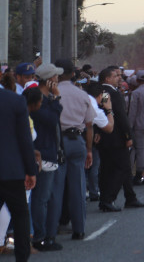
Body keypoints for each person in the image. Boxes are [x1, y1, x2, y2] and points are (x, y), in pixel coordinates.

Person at [49, 59, 95, 241]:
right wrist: (89, 150)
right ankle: (79, 229)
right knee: (78, 187)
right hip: (78, 141)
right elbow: (89, 126)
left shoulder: (52, 93)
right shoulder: (82, 94)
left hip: (58, 142)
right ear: (72, 73)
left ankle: (51, 231)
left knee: (56, 188)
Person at [97, 66, 144, 212]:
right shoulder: (113, 93)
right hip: (117, 137)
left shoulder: (104, 92)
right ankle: (108, 199)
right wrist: (128, 135)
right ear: (107, 79)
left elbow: (104, 110)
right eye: (116, 76)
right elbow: (121, 116)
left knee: (111, 168)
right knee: (122, 167)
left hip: (106, 136)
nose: (119, 78)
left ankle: (130, 197)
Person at [0, 77, 37, 262]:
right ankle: (22, 256)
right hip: (10, 169)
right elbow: (25, 139)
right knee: (20, 214)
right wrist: (31, 170)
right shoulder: (15, 100)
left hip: (10, 169)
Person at [27, 71, 64, 252]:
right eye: (56, 77)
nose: (58, 80)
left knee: (46, 197)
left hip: (49, 151)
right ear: (49, 80)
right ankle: (39, 237)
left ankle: (45, 233)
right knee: (41, 198)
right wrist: (56, 98)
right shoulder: (36, 98)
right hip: (42, 153)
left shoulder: (45, 99)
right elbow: (51, 119)